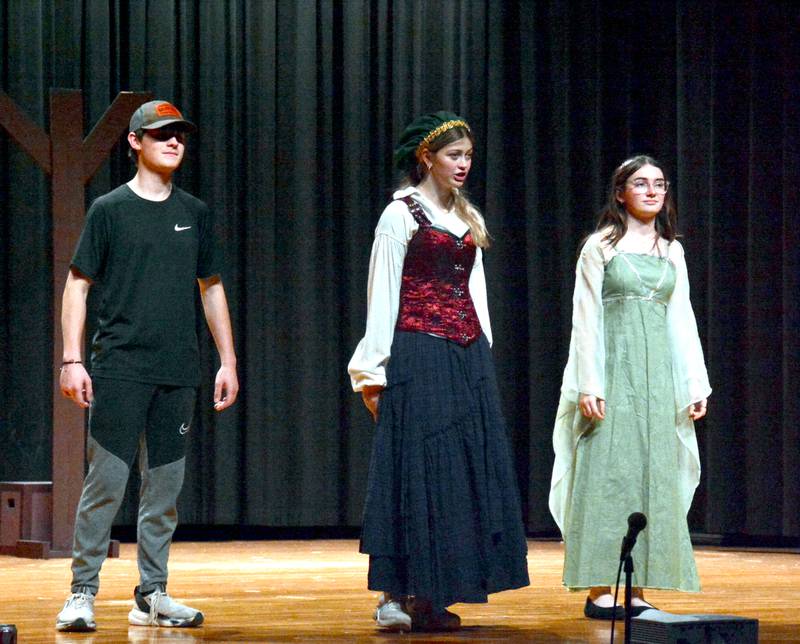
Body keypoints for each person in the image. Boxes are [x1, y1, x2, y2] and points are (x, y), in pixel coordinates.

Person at [55, 100, 239, 632]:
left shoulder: (195, 213)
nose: (174, 142)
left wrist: (227, 360)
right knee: (105, 485)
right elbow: (77, 285)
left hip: (178, 370)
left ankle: (152, 594)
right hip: (118, 368)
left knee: (163, 490)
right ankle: (82, 592)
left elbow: (212, 288)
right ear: (135, 142)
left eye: (179, 135)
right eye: (161, 135)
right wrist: (72, 359)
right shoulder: (109, 210)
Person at [348, 111, 530, 632]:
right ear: (427, 157)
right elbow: (382, 295)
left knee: (457, 474)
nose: (464, 164)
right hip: (418, 352)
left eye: (469, 155)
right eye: (455, 155)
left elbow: (476, 293)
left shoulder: (465, 216)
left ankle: (433, 592)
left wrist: (483, 354)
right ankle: (392, 594)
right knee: (413, 470)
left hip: (465, 356)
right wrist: (371, 369)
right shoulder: (400, 214)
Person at [549, 155, 711, 619]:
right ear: (620, 193)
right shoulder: (599, 247)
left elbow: (683, 321)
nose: (652, 191)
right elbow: (586, 320)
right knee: (608, 471)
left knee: (652, 473)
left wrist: (693, 384)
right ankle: (601, 586)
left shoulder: (671, 250)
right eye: (641, 184)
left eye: (659, 184)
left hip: (658, 375)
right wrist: (588, 382)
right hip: (612, 370)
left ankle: (639, 587)